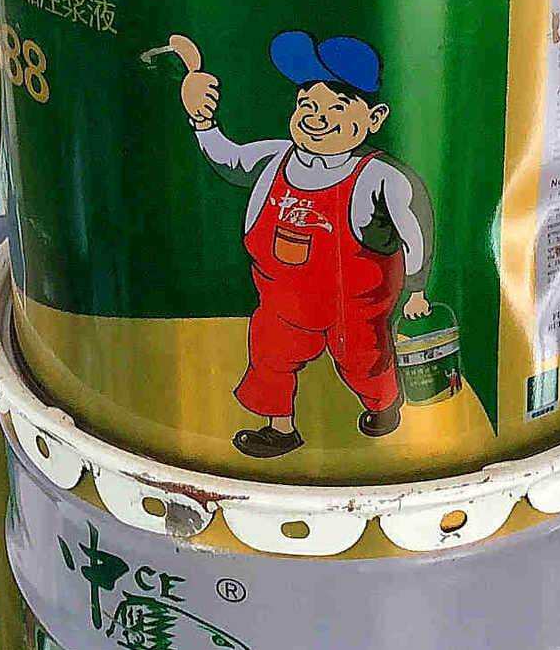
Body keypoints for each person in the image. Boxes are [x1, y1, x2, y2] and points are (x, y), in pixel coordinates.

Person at [172, 29, 435, 459]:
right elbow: (229, 158)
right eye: (307, 104)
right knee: (270, 353)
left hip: (354, 305)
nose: (317, 117)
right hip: (284, 301)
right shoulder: (276, 157)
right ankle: (280, 428)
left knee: (364, 360)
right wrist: (203, 121)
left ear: (374, 118)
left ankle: (382, 404)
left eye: (336, 107)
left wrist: (417, 288)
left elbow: (413, 230)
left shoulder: (379, 177)